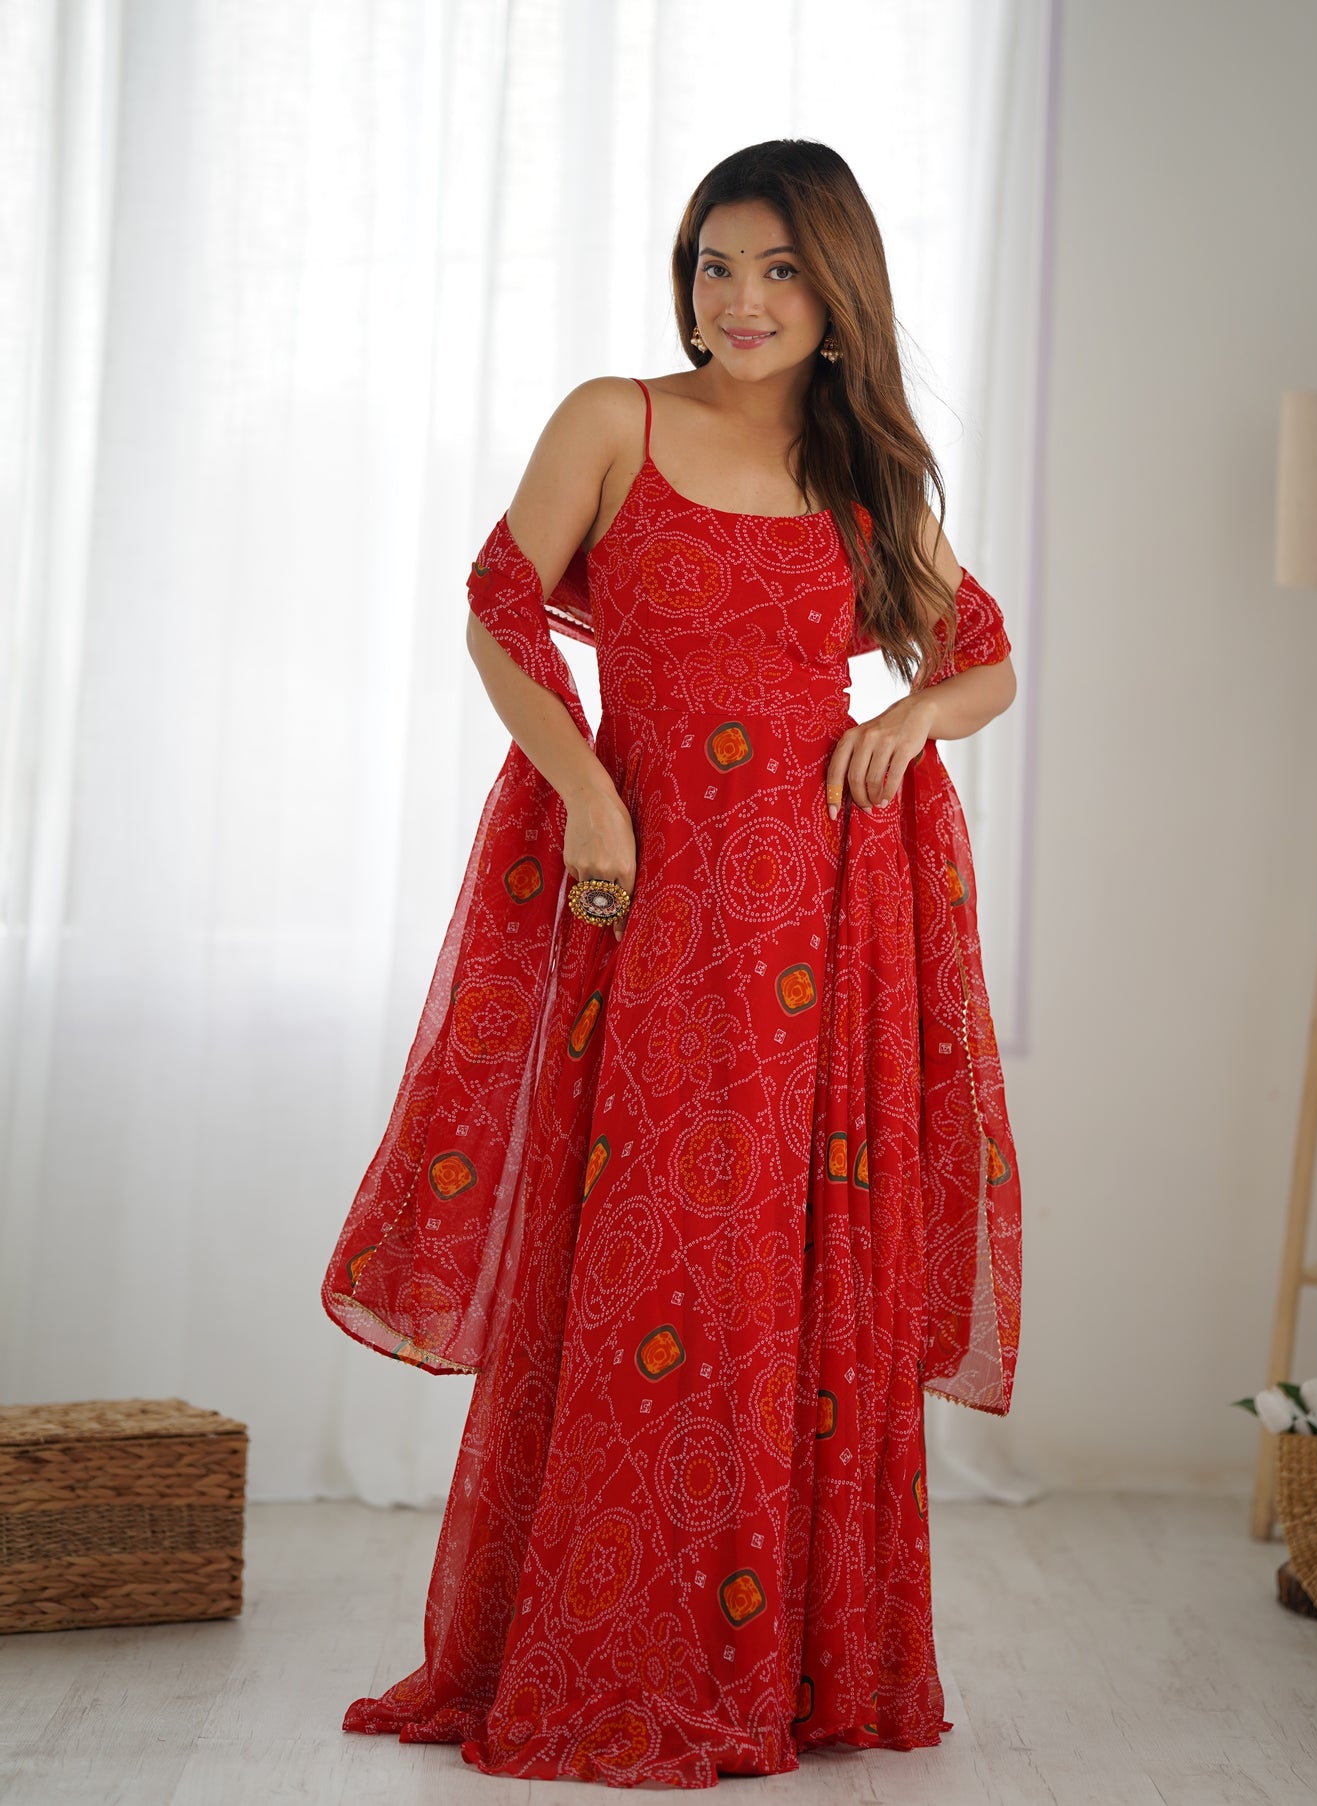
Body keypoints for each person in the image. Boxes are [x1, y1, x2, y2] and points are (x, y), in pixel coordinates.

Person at [321, 137, 1023, 1791]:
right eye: (715, 263)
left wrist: (908, 713)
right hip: (646, 900)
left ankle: (781, 1659)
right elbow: (501, 611)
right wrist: (585, 798)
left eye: (779, 269)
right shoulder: (613, 419)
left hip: (816, 926)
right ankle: (603, 1640)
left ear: (836, 293)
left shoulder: (864, 486)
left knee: (780, 1269)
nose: (740, 300)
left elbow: (980, 658)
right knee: (647, 1257)